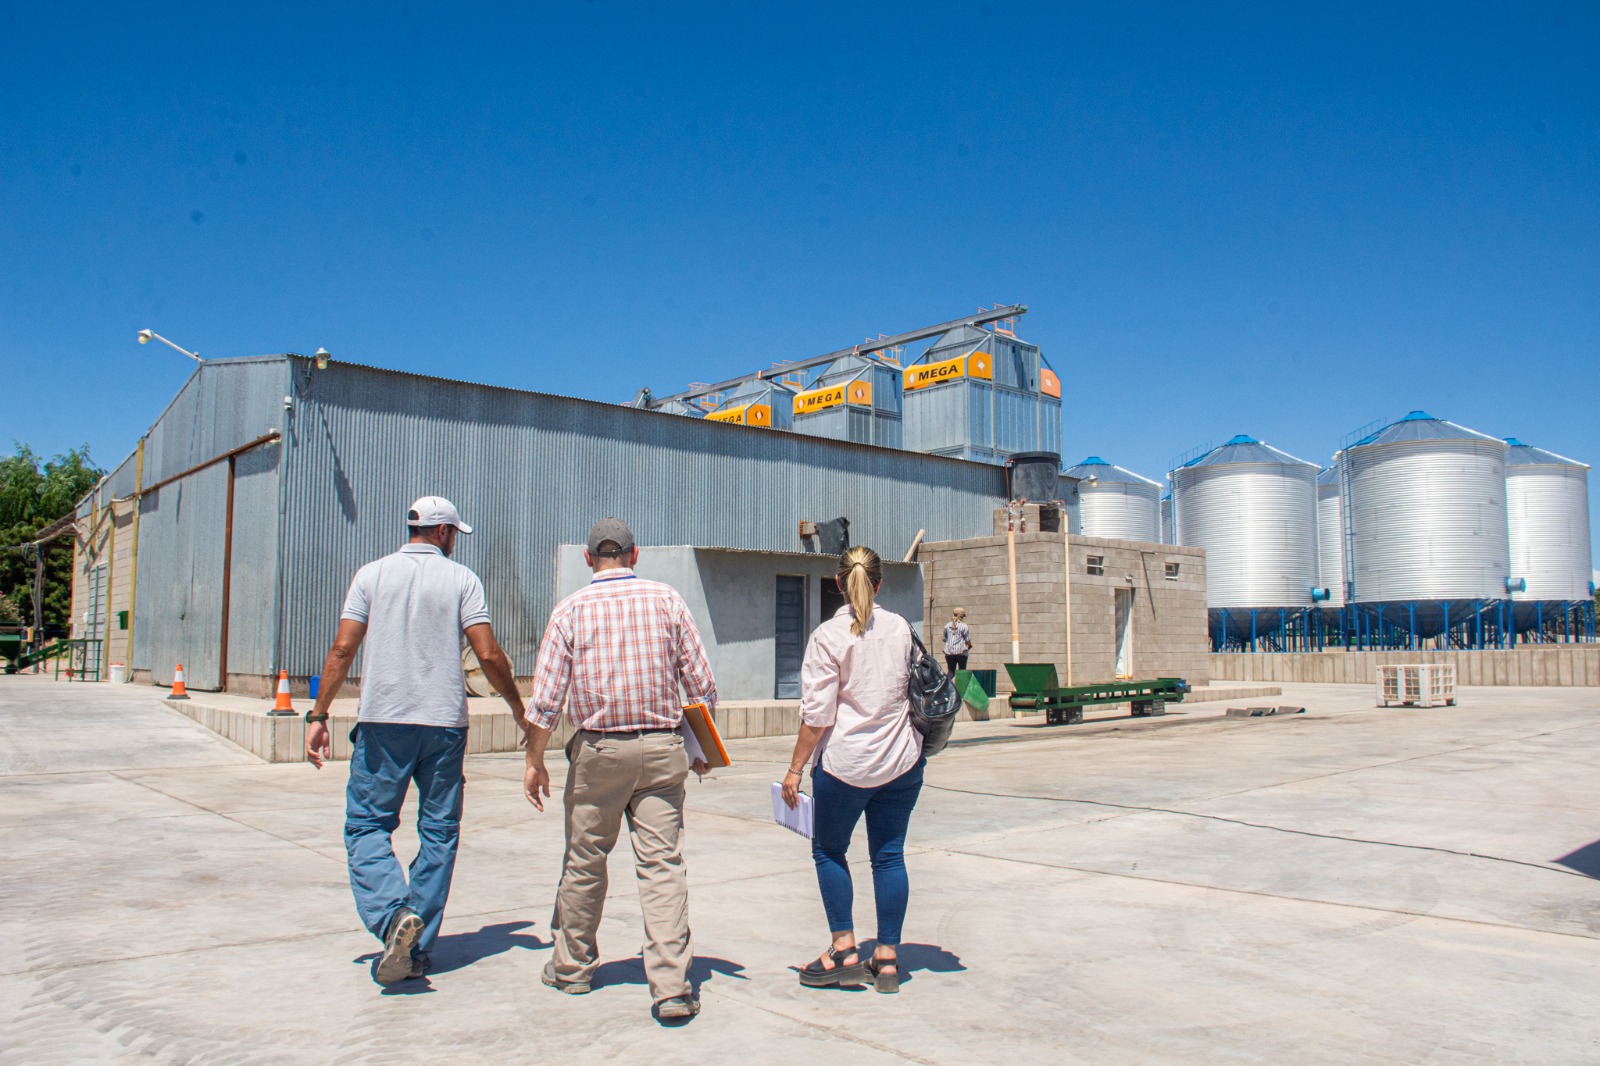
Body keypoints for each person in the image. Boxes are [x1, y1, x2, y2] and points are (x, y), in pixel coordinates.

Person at [305, 496, 550, 986]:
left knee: (367, 828)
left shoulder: (370, 575)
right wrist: (520, 711)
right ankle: (414, 942)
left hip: (383, 723)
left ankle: (392, 918)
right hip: (443, 726)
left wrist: (318, 713)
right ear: (442, 532)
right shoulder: (462, 580)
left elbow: (342, 647)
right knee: (439, 832)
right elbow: (489, 653)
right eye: (454, 532)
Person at [527, 518, 717, 1021]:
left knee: (585, 860)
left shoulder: (569, 611)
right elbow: (701, 686)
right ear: (635, 555)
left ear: (589, 559)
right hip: (661, 751)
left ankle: (572, 968)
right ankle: (672, 986)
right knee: (661, 866)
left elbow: (545, 702)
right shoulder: (667, 601)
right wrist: (700, 748)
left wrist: (534, 760)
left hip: (598, 755)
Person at [780, 546, 924, 995]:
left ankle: (844, 949)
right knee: (888, 856)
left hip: (845, 767)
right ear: (879, 584)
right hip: (901, 762)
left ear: (839, 583)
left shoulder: (827, 636)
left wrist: (794, 769)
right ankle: (886, 958)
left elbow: (818, 715)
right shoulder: (902, 629)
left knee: (828, 851)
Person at [942, 607, 971, 674]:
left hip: (949, 653)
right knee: (962, 672)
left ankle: (945, 684)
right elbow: (967, 639)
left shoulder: (947, 625)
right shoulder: (964, 626)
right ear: (961, 616)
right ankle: (960, 685)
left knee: (951, 672)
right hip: (961, 652)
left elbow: (944, 639)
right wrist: (970, 646)